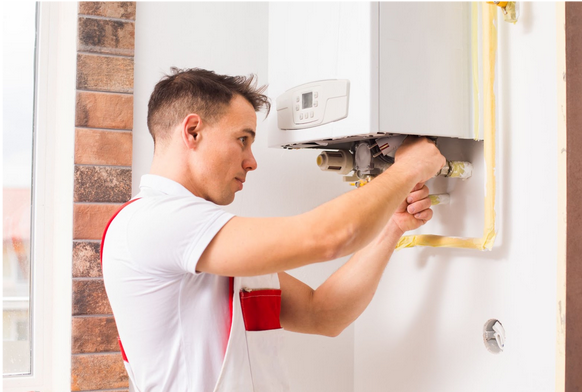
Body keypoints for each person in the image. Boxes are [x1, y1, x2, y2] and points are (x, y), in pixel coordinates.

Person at [102, 68, 445, 392]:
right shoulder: (153, 222)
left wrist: (392, 227)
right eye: (242, 139)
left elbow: (323, 314)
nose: (252, 161)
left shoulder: (203, 242)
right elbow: (328, 237)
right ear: (193, 131)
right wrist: (407, 169)